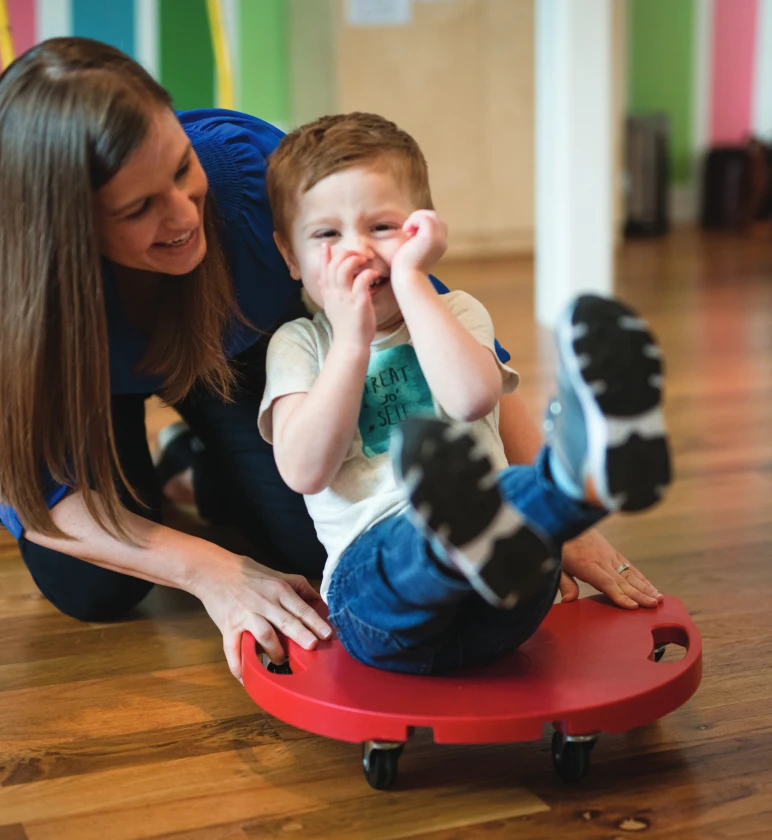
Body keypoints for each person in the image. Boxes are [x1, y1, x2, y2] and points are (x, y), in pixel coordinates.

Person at [0, 37, 661, 684]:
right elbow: (55, 499)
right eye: (141, 207)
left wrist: (556, 519)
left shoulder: (244, 175)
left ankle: (198, 464)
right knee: (95, 592)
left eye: (181, 168)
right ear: (67, 232)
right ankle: (12, 472)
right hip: (89, 376)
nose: (182, 215)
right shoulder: (11, 271)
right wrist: (213, 573)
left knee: (306, 557)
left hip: (228, 345)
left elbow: (433, 340)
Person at [259, 113, 671, 672]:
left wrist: (410, 281)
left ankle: (584, 469)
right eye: (327, 235)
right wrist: (351, 342)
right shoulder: (300, 344)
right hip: (381, 600)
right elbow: (305, 470)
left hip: (506, 603)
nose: (358, 250)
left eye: (382, 227)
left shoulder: (455, 311)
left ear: (422, 230)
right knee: (414, 544)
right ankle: (471, 535)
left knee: (519, 502)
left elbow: (472, 399)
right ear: (290, 256)